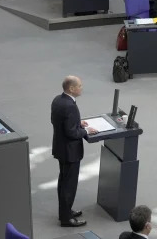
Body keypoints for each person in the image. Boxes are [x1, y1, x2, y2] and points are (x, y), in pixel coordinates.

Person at [51, 75, 97, 227]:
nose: (81, 88)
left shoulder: (58, 100)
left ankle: (65, 211)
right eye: (80, 86)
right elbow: (71, 133)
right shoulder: (70, 105)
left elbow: (61, 122)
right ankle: (66, 219)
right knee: (69, 186)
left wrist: (77, 122)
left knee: (63, 182)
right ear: (71, 88)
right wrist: (86, 131)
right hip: (70, 152)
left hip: (60, 148)